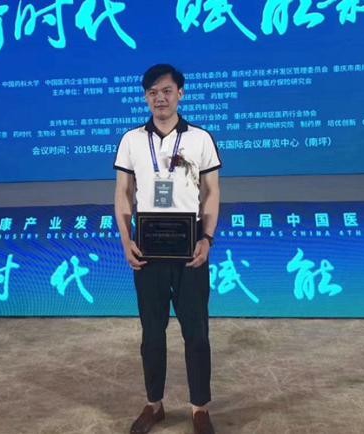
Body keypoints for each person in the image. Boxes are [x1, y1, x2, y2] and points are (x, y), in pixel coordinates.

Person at [113, 64, 221, 434]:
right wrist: (126, 239)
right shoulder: (131, 140)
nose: (160, 98)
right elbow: (123, 193)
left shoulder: (201, 138)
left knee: (197, 332)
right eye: (153, 92)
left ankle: (200, 408)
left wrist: (207, 239)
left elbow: (212, 192)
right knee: (152, 332)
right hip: (148, 247)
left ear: (180, 93)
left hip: (190, 245)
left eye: (167, 91)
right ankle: (154, 404)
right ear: (146, 97)